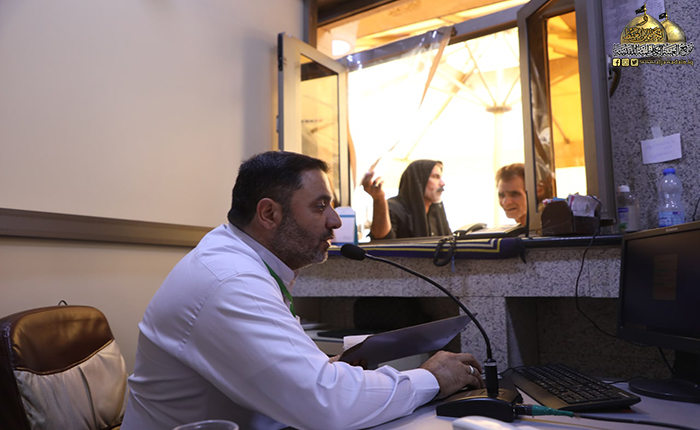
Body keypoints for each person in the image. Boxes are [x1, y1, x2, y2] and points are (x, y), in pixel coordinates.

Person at [121, 151, 484, 430]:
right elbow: (327, 405)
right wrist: (431, 378)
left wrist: (328, 367)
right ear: (269, 214)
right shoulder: (230, 281)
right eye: (320, 206)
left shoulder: (244, 262)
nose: (335, 221)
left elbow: (295, 381)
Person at [362, 159, 451, 240]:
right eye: (435, 177)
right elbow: (382, 241)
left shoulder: (436, 211)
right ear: (419, 180)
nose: (442, 183)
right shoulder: (394, 208)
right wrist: (379, 200)